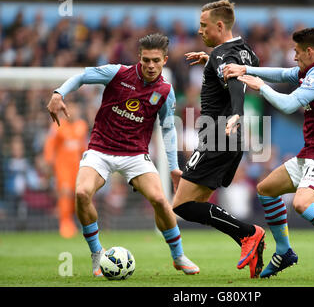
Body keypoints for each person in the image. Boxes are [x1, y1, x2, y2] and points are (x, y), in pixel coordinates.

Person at [46, 33, 199, 277]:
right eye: (146, 60)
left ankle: (178, 256)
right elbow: (83, 76)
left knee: (160, 200)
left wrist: (173, 167)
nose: (150, 65)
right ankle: (97, 254)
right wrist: (58, 93)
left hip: (135, 154)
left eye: (156, 61)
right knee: (82, 193)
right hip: (100, 149)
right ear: (139, 58)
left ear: (165, 60)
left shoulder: (165, 90)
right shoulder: (117, 73)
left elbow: (168, 130)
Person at [223, 27, 314, 280]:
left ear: (310, 51)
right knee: (266, 189)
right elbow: (282, 73)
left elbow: (288, 105)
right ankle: (285, 250)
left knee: (301, 204)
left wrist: (261, 87)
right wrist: (246, 70)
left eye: (297, 51)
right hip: (312, 154)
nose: (294, 55)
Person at [171, 0, 265, 279]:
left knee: (182, 206)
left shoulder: (224, 53)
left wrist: (236, 112)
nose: (199, 31)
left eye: (204, 25)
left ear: (220, 26)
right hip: (231, 139)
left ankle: (249, 233)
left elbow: (234, 81)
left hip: (217, 134)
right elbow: (250, 68)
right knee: (194, 200)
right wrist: (211, 61)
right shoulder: (245, 50)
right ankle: (252, 246)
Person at [43, 101, 88, 238]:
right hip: (62, 167)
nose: (73, 112)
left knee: (78, 195)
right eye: (71, 109)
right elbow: (50, 145)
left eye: (76, 108)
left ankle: (80, 224)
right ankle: (65, 223)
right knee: (65, 193)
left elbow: (83, 147)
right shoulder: (57, 125)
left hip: (78, 167)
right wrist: (48, 161)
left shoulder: (82, 126)